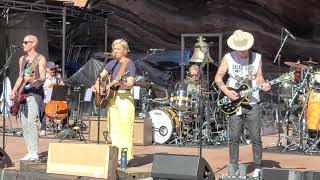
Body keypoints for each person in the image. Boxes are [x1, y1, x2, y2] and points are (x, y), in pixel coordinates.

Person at [214, 30, 271, 177]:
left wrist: (264, 84)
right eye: (239, 50)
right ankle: (233, 166)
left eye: (244, 49)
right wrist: (226, 91)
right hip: (234, 101)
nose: (241, 52)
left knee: (256, 137)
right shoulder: (228, 57)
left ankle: (258, 166)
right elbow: (218, 77)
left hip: (252, 102)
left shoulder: (256, 57)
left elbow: (259, 77)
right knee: (234, 136)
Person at [92, 38, 136, 162]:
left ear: (125, 50)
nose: (115, 51)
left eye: (118, 49)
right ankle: (115, 156)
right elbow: (100, 78)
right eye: (114, 49)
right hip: (112, 99)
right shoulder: (111, 63)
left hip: (124, 98)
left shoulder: (129, 63)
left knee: (125, 128)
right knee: (114, 128)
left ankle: (125, 157)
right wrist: (98, 86)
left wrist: (121, 81)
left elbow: (130, 83)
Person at [9, 35, 46, 161]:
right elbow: (20, 77)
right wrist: (14, 90)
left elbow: (42, 77)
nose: (23, 44)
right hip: (23, 93)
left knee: (31, 122)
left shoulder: (40, 58)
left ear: (33, 44)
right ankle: (29, 151)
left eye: (25, 42)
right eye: (23, 42)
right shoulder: (22, 59)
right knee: (24, 124)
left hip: (34, 94)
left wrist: (33, 79)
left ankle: (34, 152)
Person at [40, 61, 64, 136]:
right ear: (46, 69)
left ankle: (60, 126)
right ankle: (43, 128)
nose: (53, 71)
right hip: (46, 98)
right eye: (51, 69)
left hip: (55, 99)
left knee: (65, 109)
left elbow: (63, 87)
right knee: (43, 110)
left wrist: (60, 79)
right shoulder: (43, 78)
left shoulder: (56, 77)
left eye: (54, 69)